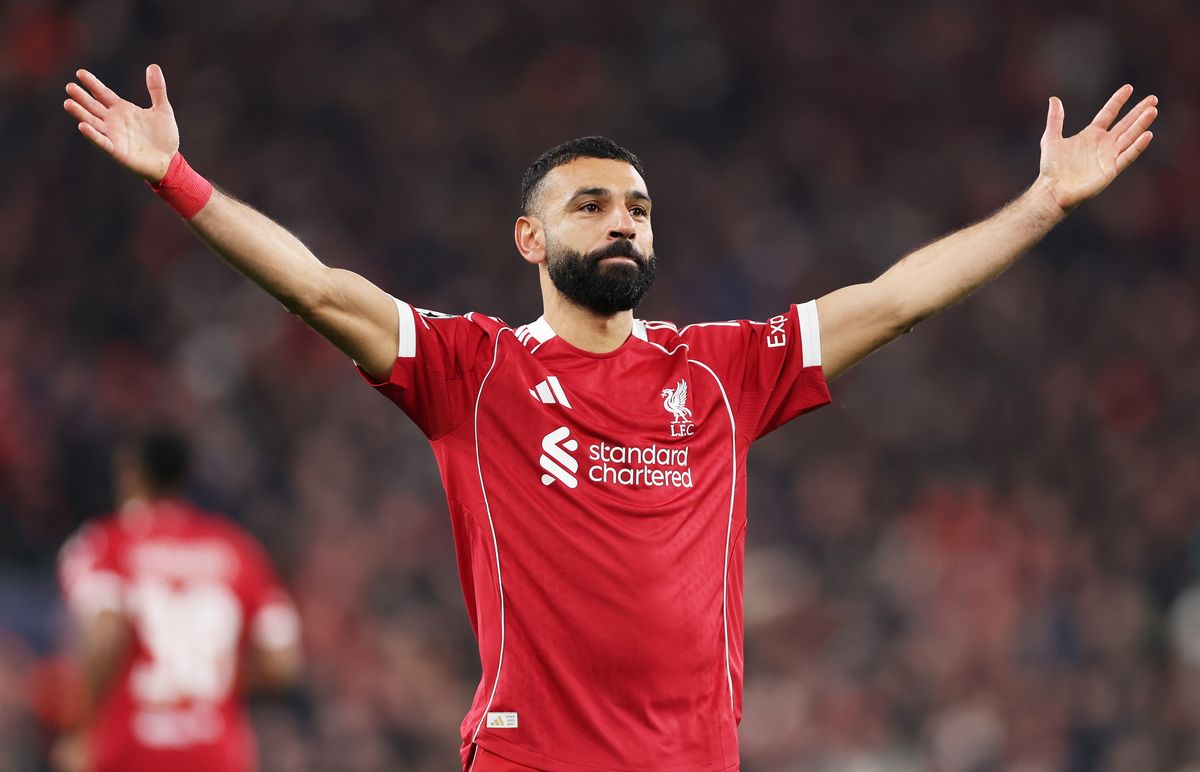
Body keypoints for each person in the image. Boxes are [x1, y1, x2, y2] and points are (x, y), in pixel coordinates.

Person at [62, 64, 1157, 771]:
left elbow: (900, 298)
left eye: (635, 206)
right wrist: (178, 179)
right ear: (530, 241)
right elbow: (316, 286)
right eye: (589, 204)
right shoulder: (471, 368)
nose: (621, 221)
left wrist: (1043, 204)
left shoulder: (724, 370)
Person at [55, 430, 303, 772]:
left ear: (131, 474)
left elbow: (106, 633)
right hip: (217, 752)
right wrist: (218, 677)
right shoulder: (237, 549)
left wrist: (81, 731)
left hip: (132, 748)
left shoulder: (103, 544)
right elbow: (282, 663)